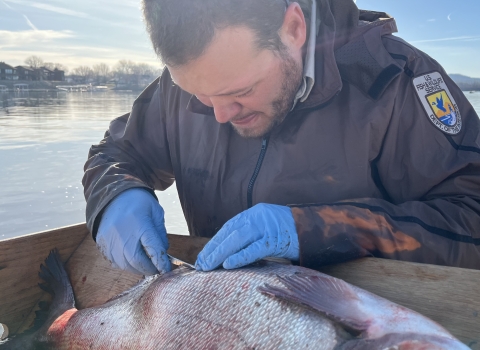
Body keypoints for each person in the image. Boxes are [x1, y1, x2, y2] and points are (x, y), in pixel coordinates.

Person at [83, 0, 480, 276]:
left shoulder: (396, 83)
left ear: (293, 29)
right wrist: (116, 195)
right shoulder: (181, 88)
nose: (219, 114)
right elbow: (117, 154)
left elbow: (470, 221)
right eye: (200, 96)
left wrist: (320, 229)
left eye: (241, 91)